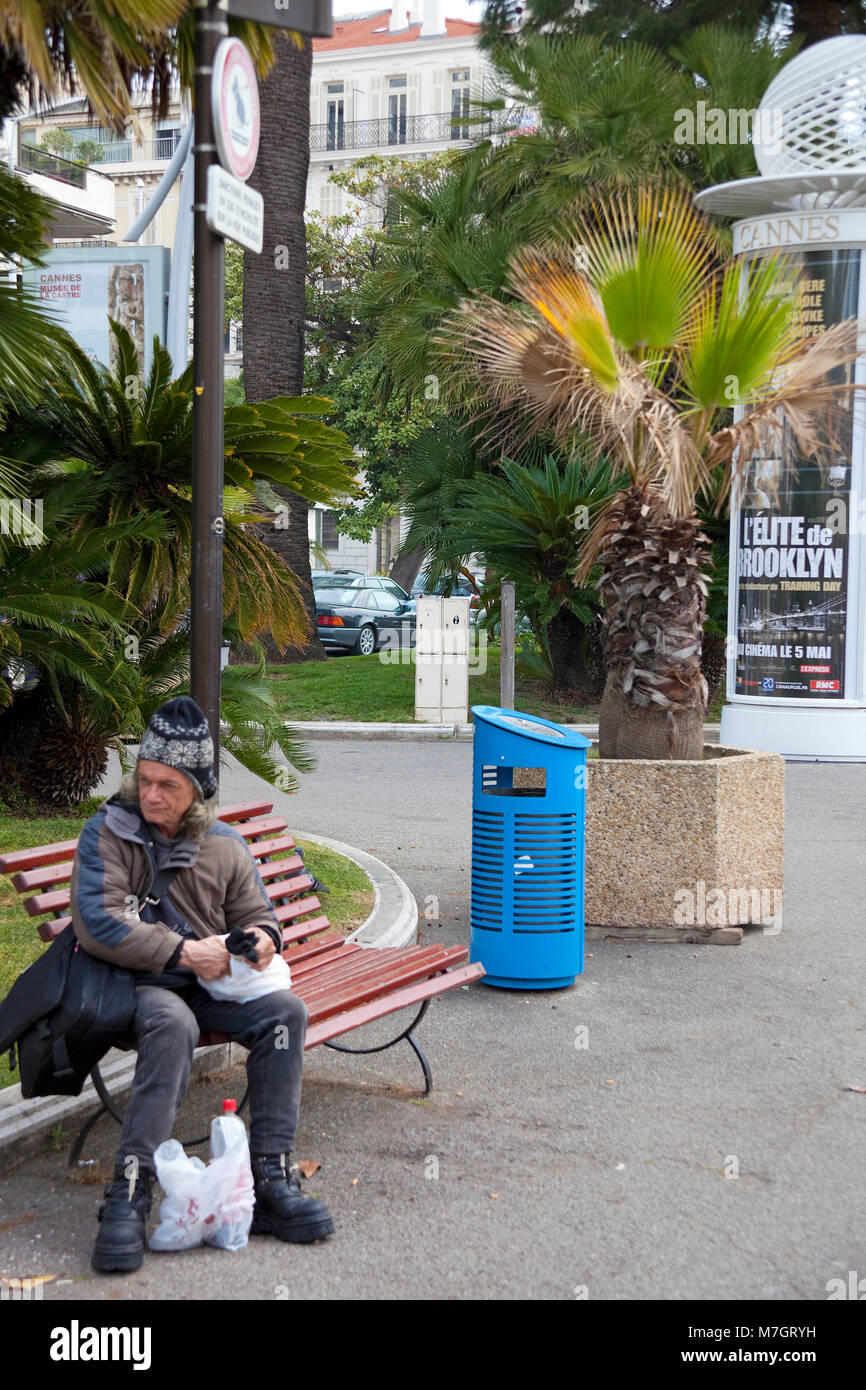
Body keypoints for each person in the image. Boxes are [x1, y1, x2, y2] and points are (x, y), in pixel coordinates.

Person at [69, 696, 334, 1273]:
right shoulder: (108, 834)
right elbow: (98, 922)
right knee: (173, 1023)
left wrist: (262, 940)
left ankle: (270, 1181)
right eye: (144, 780)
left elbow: (260, 915)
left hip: (214, 982)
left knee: (285, 1012)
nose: (152, 795)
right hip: (144, 981)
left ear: (199, 790)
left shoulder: (224, 845)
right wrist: (185, 951)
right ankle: (130, 1191)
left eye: (169, 784)